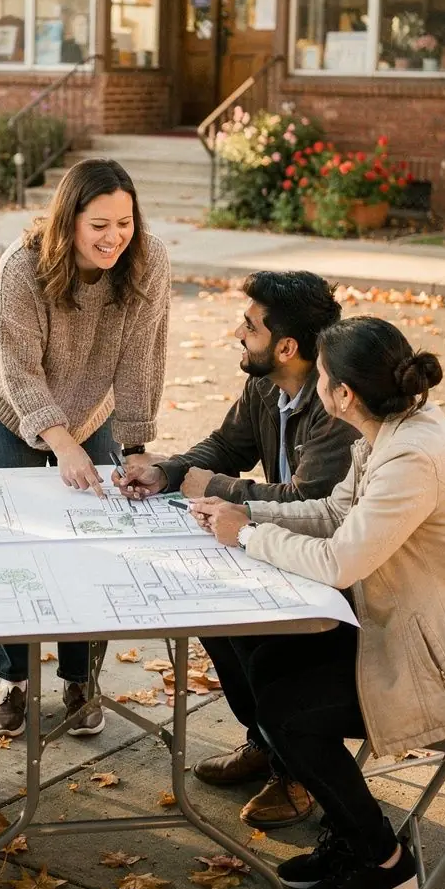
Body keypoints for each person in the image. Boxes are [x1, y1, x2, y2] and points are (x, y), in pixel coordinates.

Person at [190, 315, 445, 889]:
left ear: (342, 394)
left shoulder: (412, 459)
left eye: (322, 376)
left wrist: (249, 534)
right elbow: (335, 513)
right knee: (272, 658)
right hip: (411, 631)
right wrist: (243, 510)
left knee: (287, 711)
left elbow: (339, 560)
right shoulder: (390, 433)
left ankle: (381, 860)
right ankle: (352, 836)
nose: (316, 384)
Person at [114, 271, 356, 828]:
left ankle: (294, 766)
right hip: (273, 542)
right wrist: (168, 470)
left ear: (287, 346)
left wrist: (213, 487)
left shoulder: (335, 402)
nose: (237, 333)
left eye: (249, 326)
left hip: (333, 562)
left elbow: (312, 501)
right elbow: (228, 446)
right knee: (215, 615)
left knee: (259, 639)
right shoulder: (265, 384)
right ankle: (267, 742)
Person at [0, 158, 170, 740]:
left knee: (92, 531)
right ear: (70, 220)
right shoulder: (23, 265)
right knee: (22, 534)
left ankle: (80, 678)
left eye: (124, 223)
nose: (114, 238)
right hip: (5, 395)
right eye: (99, 224)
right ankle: (14, 678)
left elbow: (141, 358)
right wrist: (61, 444)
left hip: (92, 403)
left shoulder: (147, 261)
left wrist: (135, 447)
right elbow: (20, 369)